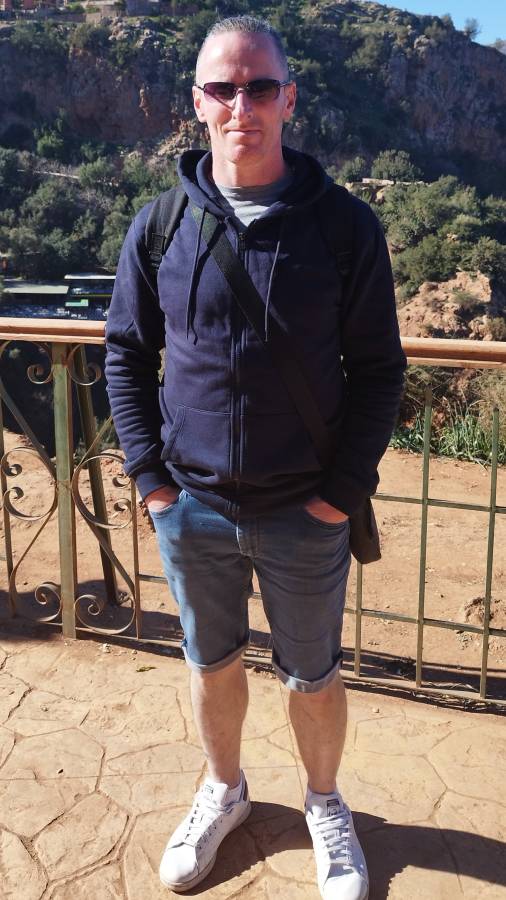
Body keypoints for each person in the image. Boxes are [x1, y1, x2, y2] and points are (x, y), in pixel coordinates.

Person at [105, 14, 406, 899]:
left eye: (260, 87)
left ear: (290, 99)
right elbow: (125, 353)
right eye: (224, 89)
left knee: (313, 674)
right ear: (198, 103)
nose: (243, 105)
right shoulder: (159, 226)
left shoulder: (345, 229)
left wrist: (341, 492)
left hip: (306, 507)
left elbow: (379, 371)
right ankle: (224, 790)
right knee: (212, 663)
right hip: (190, 504)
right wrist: (151, 479)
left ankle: (324, 803)